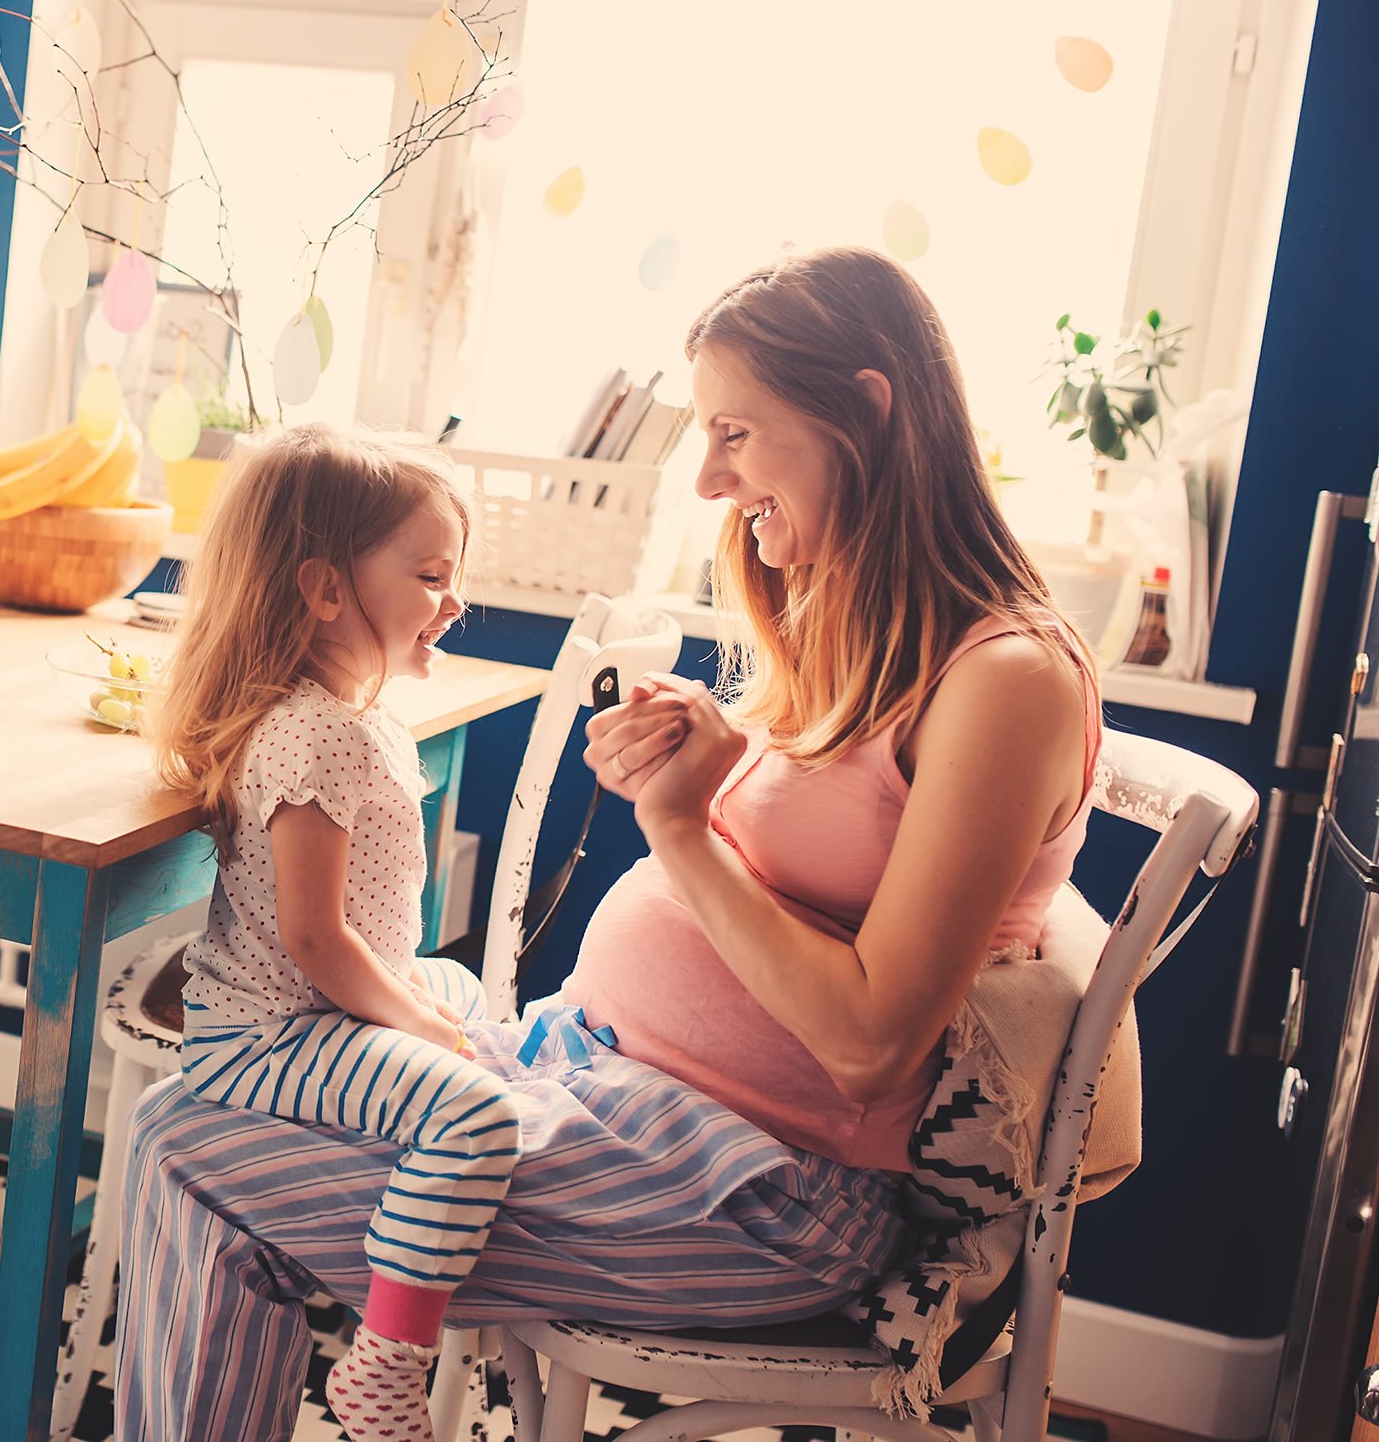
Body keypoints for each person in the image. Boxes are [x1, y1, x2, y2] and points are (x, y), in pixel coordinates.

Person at [112, 245, 1100, 1442]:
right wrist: (723, 755)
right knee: (199, 1120)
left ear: (868, 407)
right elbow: (827, 850)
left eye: (735, 431)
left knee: (183, 1148)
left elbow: (870, 1042)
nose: (707, 478)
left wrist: (681, 825)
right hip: (601, 1090)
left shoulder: (1006, 680)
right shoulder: (849, 625)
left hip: (754, 1193)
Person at [146, 423, 520, 1441]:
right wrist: (413, 1029)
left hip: (312, 1010)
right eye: (434, 575)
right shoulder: (320, 734)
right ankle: (387, 1363)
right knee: (475, 1115)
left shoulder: (352, 718)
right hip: (268, 1035)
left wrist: (425, 1013)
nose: (454, 602)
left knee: (465, 1001)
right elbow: (316, 941)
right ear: (323, 589)